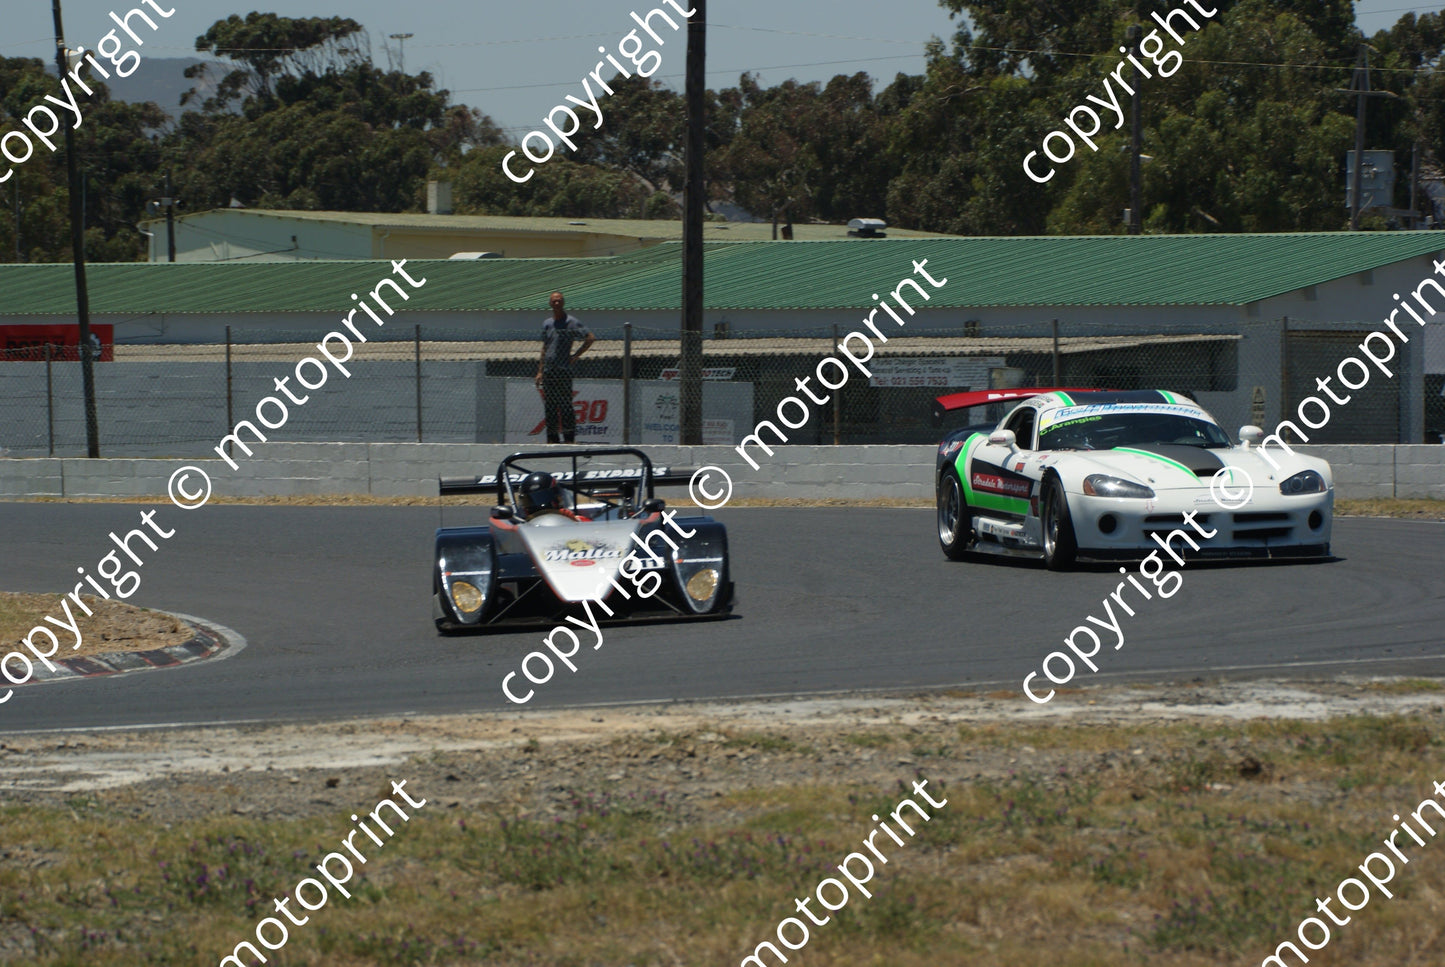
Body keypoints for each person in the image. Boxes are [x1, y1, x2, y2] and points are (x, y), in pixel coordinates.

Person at [534, 291, 594, 443]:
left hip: (563, 370)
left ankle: (569, 438)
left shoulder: (571, 322)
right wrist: (540, 371)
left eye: (559, 301)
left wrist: (575, 356)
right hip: (549, 371)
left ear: (563, 303)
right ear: (550, 304)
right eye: (554, 301)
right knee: (550, 406)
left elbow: (590, 337)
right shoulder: (547, 323)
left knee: (566, 405)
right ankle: (552, 438)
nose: (556, 303)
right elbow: (544, 347)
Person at [517, 472, 588, 521]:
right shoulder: (520, 526)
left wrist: (573, 520)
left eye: (544, 497)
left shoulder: (577, 519)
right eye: (536, 498)